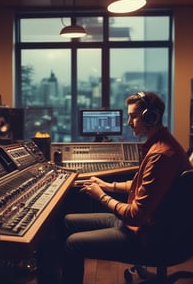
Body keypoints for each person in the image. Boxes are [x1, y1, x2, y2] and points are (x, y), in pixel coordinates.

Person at [61, 91, 192, 284]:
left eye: (133, 116)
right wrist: (108, 185)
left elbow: (136, 215)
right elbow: (146, 187)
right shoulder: (160, 146)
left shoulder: (161, 155)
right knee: (68, 220)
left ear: (150, 117)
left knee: (73, 244)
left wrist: (101, 196)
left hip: (152, 238)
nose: (129, 122)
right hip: (152, 227)